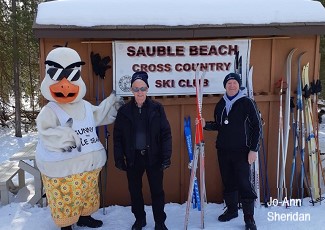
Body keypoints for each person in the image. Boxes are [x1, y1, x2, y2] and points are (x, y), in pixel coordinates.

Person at [36, 47, 122, 230]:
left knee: (87, 193)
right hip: (63, 168)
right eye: (58, 76)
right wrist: (64, 137)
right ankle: (66, 225)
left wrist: (111, 103)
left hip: (89, 166)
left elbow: (99, 115)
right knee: (65, 199)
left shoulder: (84, 105)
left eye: (72, 76)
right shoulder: (50, 110)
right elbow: (45, 132)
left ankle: (85, 216)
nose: (66, 85)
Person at [113, 71, 172, 230]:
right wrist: (119, 158)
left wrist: (166, 157)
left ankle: (160, 222)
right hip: (133, 158)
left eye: (143, 88)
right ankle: (140, 219)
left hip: (154, 158)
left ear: (147, 89)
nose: (140, 92)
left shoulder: (157, 109)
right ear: (131, 91)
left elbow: (166, 134)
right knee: (135, 192)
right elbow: (117, 137)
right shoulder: (124, 111)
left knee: (157, 192)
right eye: (136, 89)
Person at [203, 72, 261, 230]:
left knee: (244, 183)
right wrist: (205, 125)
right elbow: (219, 125)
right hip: (223, 150)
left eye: (235, 83)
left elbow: (257, 126)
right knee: (228, 182)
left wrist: (254, 149)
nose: (232, 85)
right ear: (225, 85)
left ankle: (249, 218)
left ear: (239, 85)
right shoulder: (221, 104)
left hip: (242, 151)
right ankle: (232, 210)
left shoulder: (247, 103)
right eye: (229, 83)